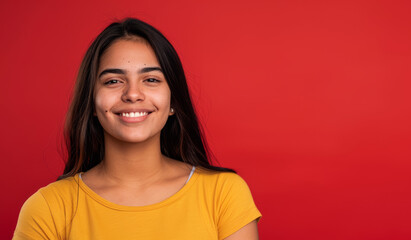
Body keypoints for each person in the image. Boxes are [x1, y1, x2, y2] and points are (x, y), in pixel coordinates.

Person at [13, 18, 261, 240]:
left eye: (151, 79)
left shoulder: (224, 194)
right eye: (113, 81)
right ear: (91, 103)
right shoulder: (47, 209)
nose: (132, 94)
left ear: (173, 101)